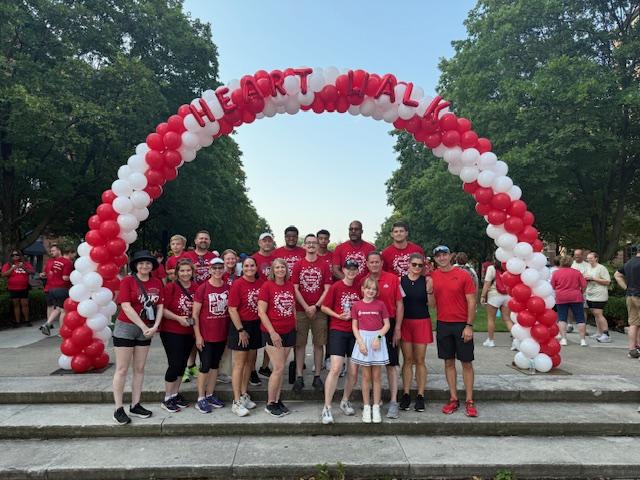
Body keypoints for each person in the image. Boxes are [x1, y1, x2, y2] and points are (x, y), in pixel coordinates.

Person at [112, 250, 164, 425]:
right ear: (135, 265)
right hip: (127, 327)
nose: (144, 266)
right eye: (141, 263)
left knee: (140, 368)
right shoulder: (128, 281)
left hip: (147, 328)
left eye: (148, 263)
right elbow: (125, 306)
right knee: (122, 369)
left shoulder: (157, 282)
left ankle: (136, 404)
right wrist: (143, 326)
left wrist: (156, 325)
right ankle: (118, 408)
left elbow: (161, 305)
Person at [428, 245, 478, 418]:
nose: (441, 258)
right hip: (443, 324)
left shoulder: (463, 275)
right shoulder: (433, 276)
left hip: (461, 324)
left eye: (444, 255)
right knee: (448, 362)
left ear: (450, 256)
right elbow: (433, 305)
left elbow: (472, 302)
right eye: (438, 256)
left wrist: (469, 325)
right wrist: (429, 290)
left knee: (466, 363)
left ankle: (470, 400)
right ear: (435, 259)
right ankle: (454, 398)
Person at [362, 251, 404, 419]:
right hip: (369, 328)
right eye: (371, 262)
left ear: (381, 263)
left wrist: (398, 328)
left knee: (391, 364)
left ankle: (394, 401)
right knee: (372, 365)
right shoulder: (363, 281)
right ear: (367, 264)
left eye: (377, 262)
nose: (374, 265)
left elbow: (400, 304)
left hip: (389, 325)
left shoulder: (393, 279)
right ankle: (375, 400)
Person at [320, 260, 362, 424]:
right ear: (343, 270)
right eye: (348, 268)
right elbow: (324, 307)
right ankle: (327, 407)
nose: (351, 271)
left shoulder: (360, 286)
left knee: (353, 371)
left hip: (355, 332)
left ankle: (345, 401)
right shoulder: (336, 286)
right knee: (336, 368)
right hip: (338, 329)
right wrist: (338, 316)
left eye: (354, 269)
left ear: (357, 271)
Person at [291, 234, 332, 393]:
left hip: (319, 311)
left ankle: (316, 376)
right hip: (301, 310)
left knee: (318, 343)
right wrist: (306, 306)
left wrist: (315, 306)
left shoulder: (324, 265)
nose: (311, 245)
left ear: (317, 245)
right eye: (308, 243)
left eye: (314, 243)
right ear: (304, 245)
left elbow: (327, 289)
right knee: (300, 344)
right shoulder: (298, 264)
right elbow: (295, 288)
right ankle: (299, 376)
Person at [258, 258, 297, 418]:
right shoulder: (267, 286)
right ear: (272, 270)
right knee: (279, 368)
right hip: (273, 332)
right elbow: (261, 312)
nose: (280, 269)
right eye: (277, 267)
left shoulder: (289, 285)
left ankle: (277, 399)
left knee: (280, 369)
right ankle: (270, 403)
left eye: (283, 267)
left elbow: (292, 305)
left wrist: (295, 324)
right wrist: (273, 332)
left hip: (289, 330)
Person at [191, 258, 229, 414]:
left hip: (221, 334)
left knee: (215, 366)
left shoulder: (228, 287)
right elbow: (195, 314)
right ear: (210, 270)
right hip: (206, 335)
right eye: (215, 268)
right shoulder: (203, 288)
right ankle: (201, 397)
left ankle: (210, 394)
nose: (218, 270)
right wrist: (198, 336)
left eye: (220, 267)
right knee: (205, 366)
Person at [228, 256, 264, 417]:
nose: (250, 268)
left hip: (255, 325)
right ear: (242, 268)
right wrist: (241, 330)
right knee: (239, 364)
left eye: (252, 265)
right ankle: (235, 402)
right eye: (247, 266)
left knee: (250, 362)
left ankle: (243, 394)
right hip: (241, 326)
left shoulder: (260, 283)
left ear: (257, 267)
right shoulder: (237, 284)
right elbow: (232, 309)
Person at [158, 259, 197, 413]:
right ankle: (167, 397)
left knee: (182, 364)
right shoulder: (170, 287)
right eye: (182, 271)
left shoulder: (196, 287)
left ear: (192, 272)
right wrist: (178, 318)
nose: (185, 273)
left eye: (188, 270)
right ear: (177, 273)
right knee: (174, 364)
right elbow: (163, 310)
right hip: (171, 331)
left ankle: (175, 394)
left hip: (189, 331)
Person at [351, 277, 390, 424]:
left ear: (377, 291)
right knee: (366, 376)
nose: (371, 291)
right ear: (363, 289)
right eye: (368, 288)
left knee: (377, 377)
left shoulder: (380, 305)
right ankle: (366, 406)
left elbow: (386, 325)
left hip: (376, 341)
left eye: (374, 289)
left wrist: (378, 337)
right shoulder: (357, 305)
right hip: (363, 340)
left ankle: (376, 406)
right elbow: (355, 326)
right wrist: (360, 342)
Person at [398, 253, 434, 412]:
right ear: (408, 264)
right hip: (406, 322)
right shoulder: (400, 280)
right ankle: (406, 393)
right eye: (414, 264)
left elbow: (432, 305)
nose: (417, 268)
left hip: (422, 322)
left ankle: (420, 395)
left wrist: (430, 292)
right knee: (407, 359)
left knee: (420, 359)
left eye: (421, 265)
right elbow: (397, 303)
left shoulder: (427, 280)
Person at [182, 230, 217, 384]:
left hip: (208, 301)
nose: (203, 240)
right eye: (201, 238)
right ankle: (184, 366)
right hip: (189, 299)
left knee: (200, 335)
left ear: (209, 242)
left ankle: (192, 365)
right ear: (195, 240)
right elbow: (178, 275)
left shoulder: (214, 258)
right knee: (186, 335)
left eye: (206, 239)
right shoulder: (187, 257)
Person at [251, 232, 276, 380]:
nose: (267, 243)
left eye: (269, 241)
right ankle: (252, 370)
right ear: (259, 242)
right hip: (256, 301)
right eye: (264, 241)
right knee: (254, 342)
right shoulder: (254, 258)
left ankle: (265, 366)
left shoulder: (276, 259)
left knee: (270, 337)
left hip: (272, 301)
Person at [551, 255, 587, 346]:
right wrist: (581, 292)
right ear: (571, 263)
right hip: (576, 296)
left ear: (561, 262)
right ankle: (582, 340)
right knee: (580, 318)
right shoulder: (577, 272)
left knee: (562, 318)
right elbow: (584, 285)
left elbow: (552, 286)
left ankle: (564, 339)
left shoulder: (556, 273)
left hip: (561, 297)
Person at [39, 245, 73, 335]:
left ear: (59, 250)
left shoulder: (50, 262)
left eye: (53, 250)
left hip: (51, 290)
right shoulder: (67, 262)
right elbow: (65, 278)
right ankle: (62, 332)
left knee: (57, 308)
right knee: (63, 310)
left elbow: (45, 274)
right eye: (51, 251)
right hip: (62, 288)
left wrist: (43, 275)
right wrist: (74, 277)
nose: (51, 252)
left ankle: (47, 324)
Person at [480, 258, 514, 348]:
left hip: (494, 295)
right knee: (507, 319)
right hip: (507, 296)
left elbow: (487, 283)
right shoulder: (509, 268)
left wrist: (483, 296)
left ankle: (490, 340)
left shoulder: (491, 268)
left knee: (491, 319)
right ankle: (516, 341)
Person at [614, 244, 640, 359]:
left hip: (630, 295)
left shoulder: (629, 263)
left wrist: (626, 288)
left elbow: (617, 275)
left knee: (633, 323)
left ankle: (632, 350)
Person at [2, 250, 35, 327]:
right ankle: (17, 322)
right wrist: (12, 268)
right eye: (13, 255)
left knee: (25, 304)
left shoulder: (25, 264)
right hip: (13, 288)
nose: (15, 256)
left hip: (24, 287)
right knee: (16, 304)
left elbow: (32, 272)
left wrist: (23, 267)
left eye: (17, 254)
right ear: (11, 257)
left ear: (20, 255)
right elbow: (3, 274)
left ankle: (27, 321)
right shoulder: (8, 264)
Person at [585, 252, 612, 343]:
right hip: (590, 294)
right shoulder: (588, 267)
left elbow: (607, 282)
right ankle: (599, 332)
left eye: (591, 258)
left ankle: (606, 335)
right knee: (595, 314)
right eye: (588, 258)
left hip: (599, 295)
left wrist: (593, 278)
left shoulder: (601, 268)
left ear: (596, 258)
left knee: (599, 314)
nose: (589, 260)